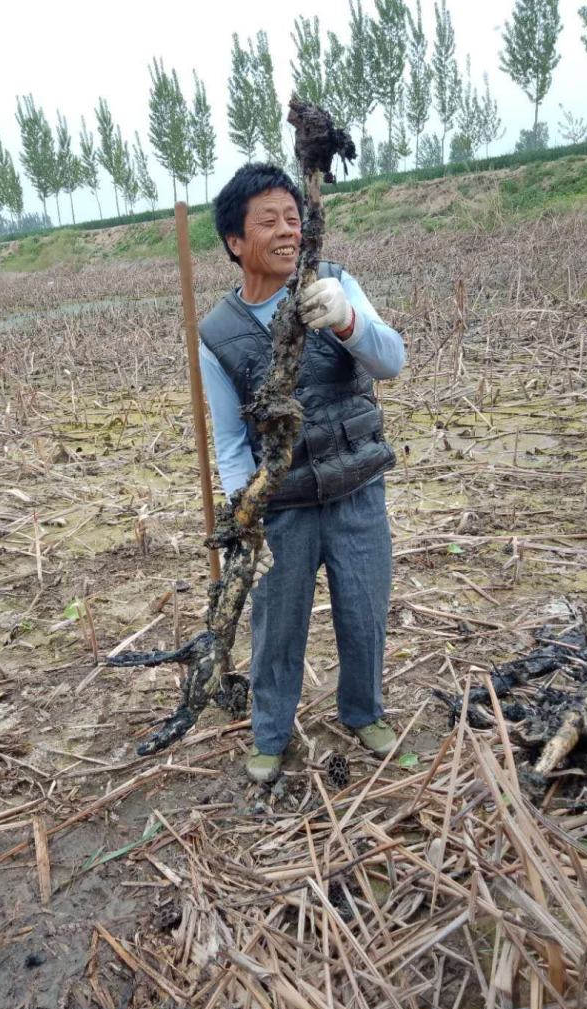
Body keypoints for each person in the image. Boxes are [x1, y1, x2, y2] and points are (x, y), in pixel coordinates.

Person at [199, 162, 405, 783]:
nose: (287, 231)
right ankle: (269, 734)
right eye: (269, 221)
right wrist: (245, 520)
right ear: (236, 242)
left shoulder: (334, 284)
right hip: (283, 506)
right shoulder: (217, 334)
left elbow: (390, 360)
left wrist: (347, 320)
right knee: (276, 624)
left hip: (356, 488)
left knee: (364, 611)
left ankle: (364, 712)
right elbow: (232, 441)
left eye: (294, 218)